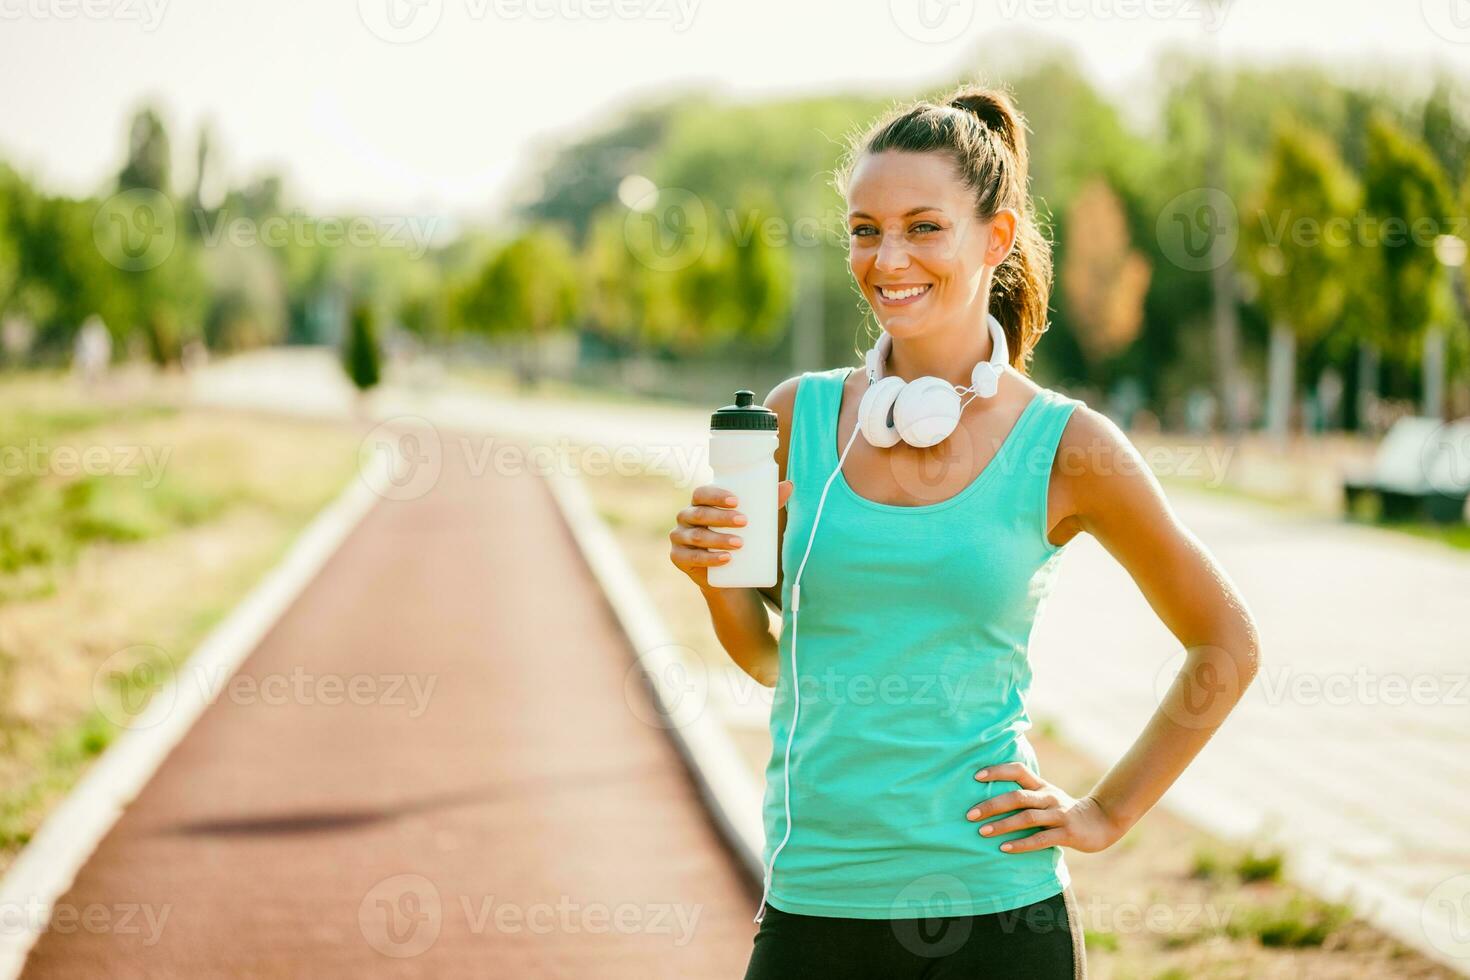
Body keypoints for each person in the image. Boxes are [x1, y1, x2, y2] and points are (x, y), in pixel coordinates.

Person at [668, 82, 1261, 980]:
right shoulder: (796, 418)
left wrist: (1104, 813)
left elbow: (1226, 642)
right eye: (865, 230)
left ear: (996, 238)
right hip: (815, 904)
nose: (887, 257)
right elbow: (764, 660)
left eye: (922, 226)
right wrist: (715, 575)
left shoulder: (1068, 445)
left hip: (998, 915)